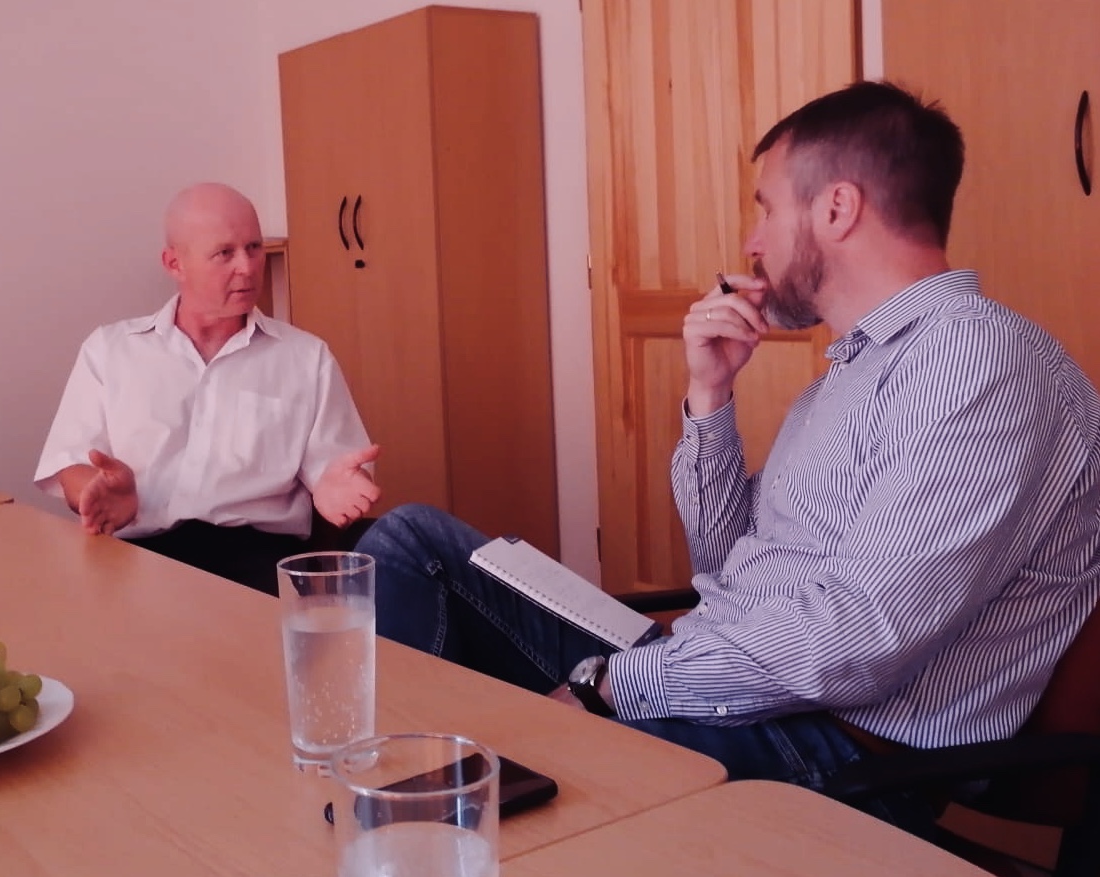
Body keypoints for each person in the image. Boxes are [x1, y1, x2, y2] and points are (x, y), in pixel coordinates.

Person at [356, 80, 1100, 836]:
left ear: (837, 208)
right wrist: (710, 395)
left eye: (766, 208)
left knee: (508, 779)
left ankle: (424, 813)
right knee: (414, 544)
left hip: (828, 743)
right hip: (724, 674)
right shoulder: (854, 371)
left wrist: (609, 684)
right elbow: (723, 567)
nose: (753, 241)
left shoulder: (979, 365)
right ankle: (405, 784)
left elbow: (855, 641)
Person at [35, 182, 380, 594]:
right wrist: (95, 490)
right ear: (174, 263)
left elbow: (337, 473)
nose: (247, 267)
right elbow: (70, 464)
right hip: (138, 554)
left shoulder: (306, 357)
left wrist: (333, 488)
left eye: (253, 248)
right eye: (224, 253)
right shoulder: (111, 351)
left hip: (257, 561)